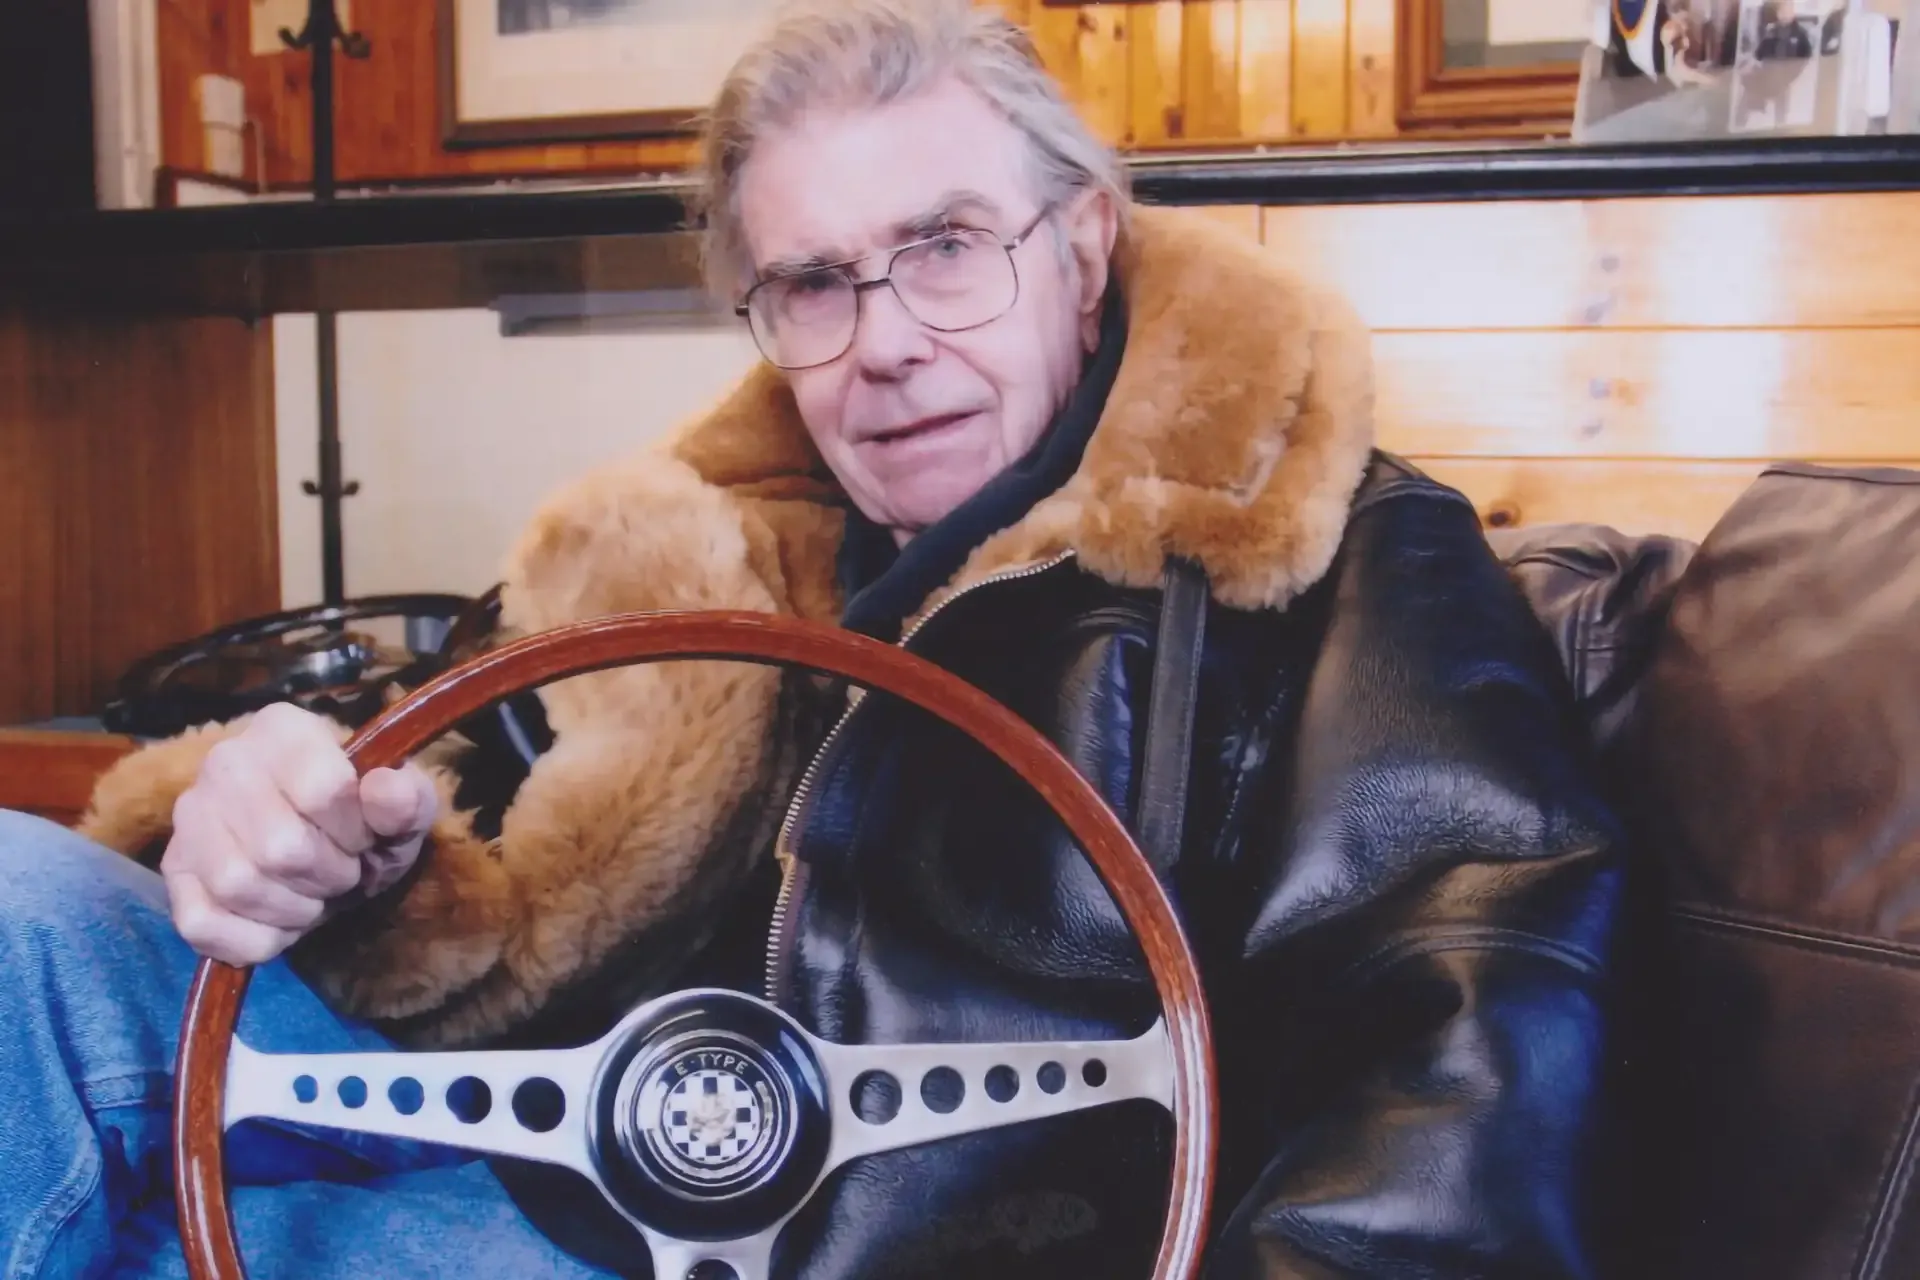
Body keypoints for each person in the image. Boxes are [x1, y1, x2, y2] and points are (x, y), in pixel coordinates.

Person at [1, 1, 1627, 1276]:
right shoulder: (694, 552)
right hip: (522, 1155)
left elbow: (1459, 1080)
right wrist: (301, 830)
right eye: (816, 284)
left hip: (805, 1252)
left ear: (1082, 242)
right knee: (23, 903)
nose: (887, 343)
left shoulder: (1335, 562)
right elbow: (433, 800)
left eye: (946, 247)